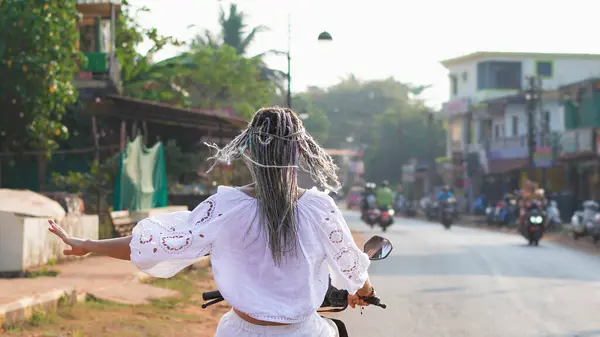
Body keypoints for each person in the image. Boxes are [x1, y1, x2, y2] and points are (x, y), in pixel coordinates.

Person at [48, 107, 375, 337]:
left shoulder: (226, 206)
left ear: (248, 149)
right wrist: (365, 291)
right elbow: (352, 269)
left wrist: (87, 245)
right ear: (300, 152)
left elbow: (155, 245)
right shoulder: (319, 208)